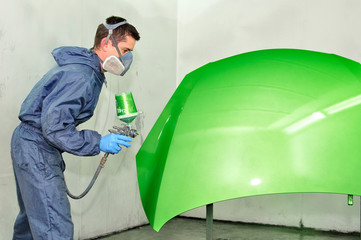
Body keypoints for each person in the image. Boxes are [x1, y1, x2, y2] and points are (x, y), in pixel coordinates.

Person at [10, 16, 140, 239]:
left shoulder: (84, 69)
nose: (127, 58)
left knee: (32, 223)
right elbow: (55, 128)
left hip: (32, 145)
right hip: (37, 147)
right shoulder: (83, 75)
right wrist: (98, 142)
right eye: (126, 50)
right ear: (107, 42)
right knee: (55, 228)